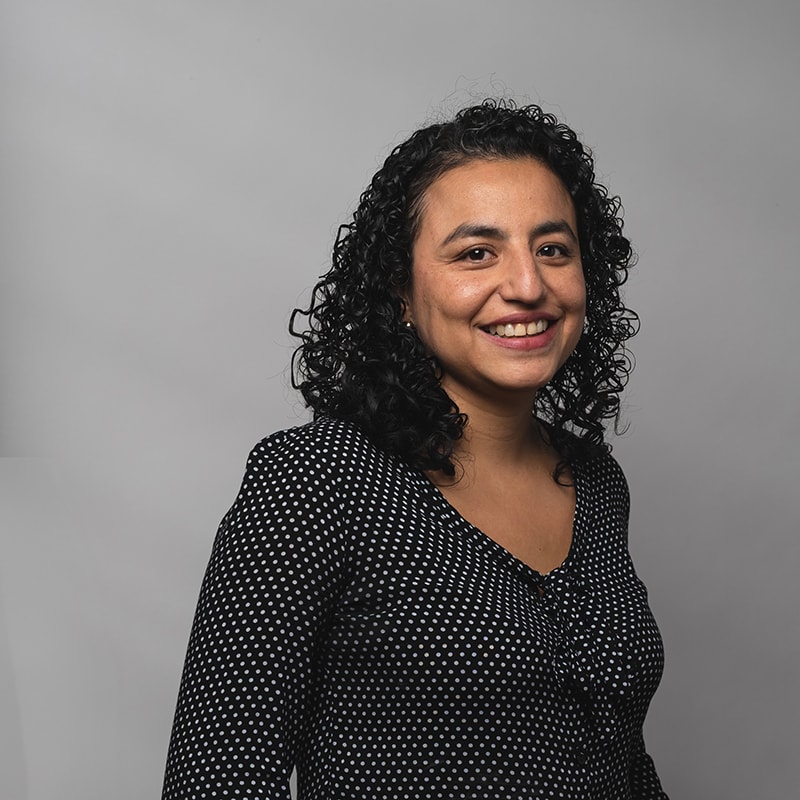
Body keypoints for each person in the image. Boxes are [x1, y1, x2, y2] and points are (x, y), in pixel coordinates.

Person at [161, 100, 668, 799]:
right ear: (401, 288)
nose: (528, 286)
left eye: (552, 248)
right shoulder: (318, 480)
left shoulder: (595, 482)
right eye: (476, 253)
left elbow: (621, 765)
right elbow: (217, 781)